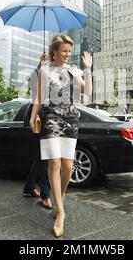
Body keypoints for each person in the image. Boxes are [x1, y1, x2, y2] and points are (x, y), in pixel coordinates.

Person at [29, 35, 93, 238]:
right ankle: (61, 212)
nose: (67, 54)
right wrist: (32, 117)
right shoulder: (44, 71)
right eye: (64, 50)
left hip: (71, 120)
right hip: (49, 119)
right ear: (54, 51)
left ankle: (60, 196)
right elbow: (38, 97)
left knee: (68, 166)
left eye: (69, 51)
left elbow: (88, 92)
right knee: (54, 163)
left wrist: (88, 69)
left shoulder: (73, 70)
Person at [23, 53, 52, 209]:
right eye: (45, 61)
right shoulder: (36, 74)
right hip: (37, 119)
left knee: (41, 157)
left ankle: (29, 187)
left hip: (50, 120)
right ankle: (45, 194)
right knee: (43, 158)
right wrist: (40, 67)